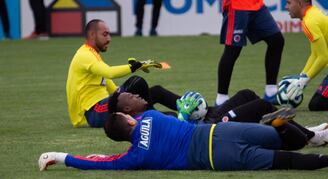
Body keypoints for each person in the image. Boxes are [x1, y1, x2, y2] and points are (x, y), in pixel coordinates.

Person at [38, 108, 328, 171]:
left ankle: (323, 161)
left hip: (216, 159)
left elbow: (104, 164)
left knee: (284, 162)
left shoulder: (136, 157)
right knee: (283, 139)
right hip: (220, 131)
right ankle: (280, 123)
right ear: (129, 118)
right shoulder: (149, 115)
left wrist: (63, 157)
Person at [108, 88, 328, 146]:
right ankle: (310, 137)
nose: (137, 95)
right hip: (209, 131)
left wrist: (191, 104)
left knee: (247, 95)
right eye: (131, 96)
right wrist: (185, 114)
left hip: (207, 119)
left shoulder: (146, 113)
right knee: (262, 105)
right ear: (127, 111)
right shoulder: (145, 121)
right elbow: (177, 133)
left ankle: (303, 131)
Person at [66, 19, 177, 128]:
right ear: (92, 35)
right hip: (93, 113)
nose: (109, 39)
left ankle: (191, 109)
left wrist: (128, 89)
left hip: (104, 107)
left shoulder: (93, 56)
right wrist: (133, 67)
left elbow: (112, 88)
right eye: (105, 34)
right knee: (136, 82)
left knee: (157, 92)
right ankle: (155, 117)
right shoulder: (84, 55)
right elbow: (109, 73)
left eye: (109, 35)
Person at [215, 0, 285, 106]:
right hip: (236, 5)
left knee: (276, 40)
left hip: (256, 4)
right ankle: (221, 98)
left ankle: (271, 91)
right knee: (233, 50)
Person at [284, 0, 328, 111]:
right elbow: (315, 54)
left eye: (289, 3)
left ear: (300, 3)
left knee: (317, 105)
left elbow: (323, 57)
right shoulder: (312, 14)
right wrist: (301, 77)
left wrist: (303, 82)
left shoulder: (310, 21)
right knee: (316, 104)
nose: (286, 7)